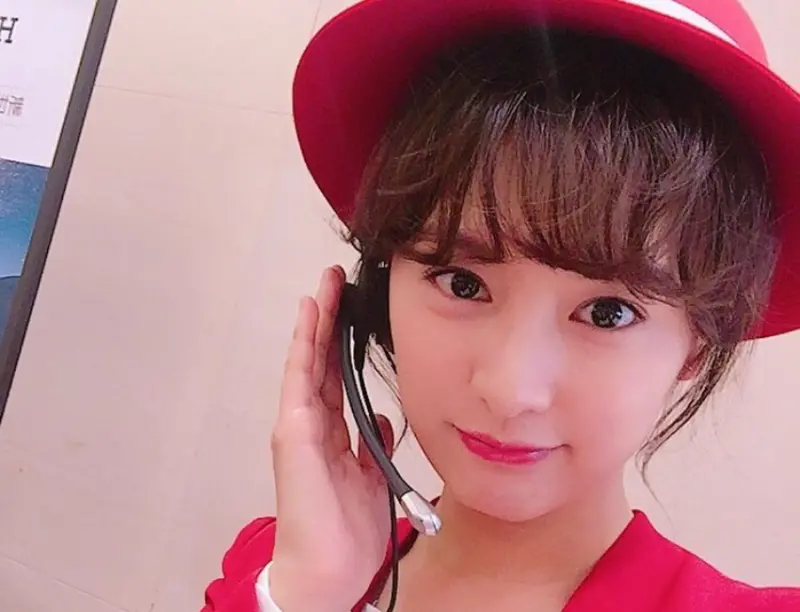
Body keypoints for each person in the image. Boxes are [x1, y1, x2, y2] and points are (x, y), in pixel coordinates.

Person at [202, 1, 800, 610]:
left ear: (699, 342)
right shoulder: (277, 575)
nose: (511, 391)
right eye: (462, 284)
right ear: (378, 293)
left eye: (607, 313)